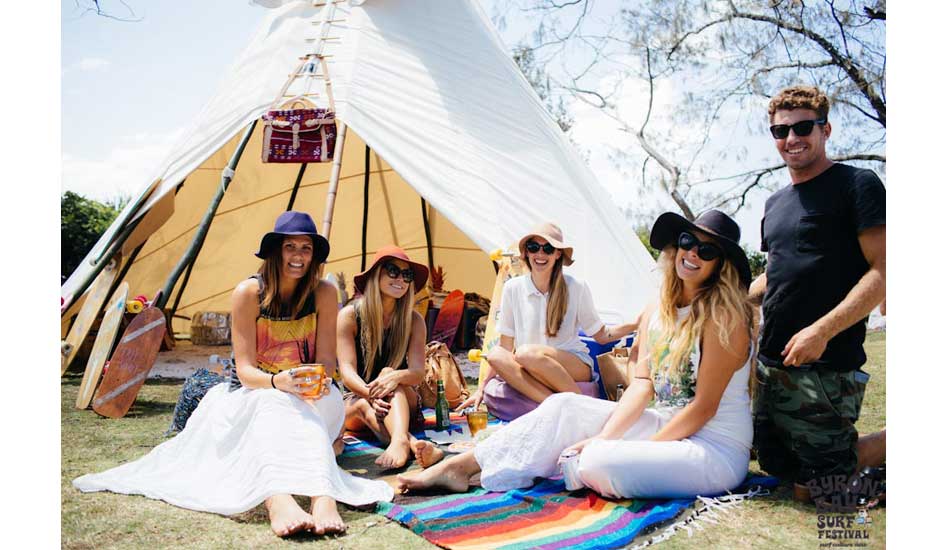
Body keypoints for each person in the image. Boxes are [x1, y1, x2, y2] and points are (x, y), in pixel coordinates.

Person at [73, 211, 394, 537]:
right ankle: (279, 499)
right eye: (290, 247)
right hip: (255, 391)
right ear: (275, 251)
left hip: (312, 391)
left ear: (314, 256)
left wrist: (312, 383)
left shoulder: (324, 293)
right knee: (274, 407)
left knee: (315, 407)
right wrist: (277, 382)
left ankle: (322, 498)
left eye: (306, 248)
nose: (298, 256)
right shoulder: (249, 293)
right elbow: (244, 370)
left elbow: (326, 362)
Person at [399, 210, 756, 499]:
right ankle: (459, 467)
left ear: (721, 265)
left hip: (713, 447)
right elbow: (642, 386)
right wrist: (608, 435)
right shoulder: (656, 311)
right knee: (563, 407)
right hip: (667, 423)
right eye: (687, 242)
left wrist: (621, 444)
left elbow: (703, 408)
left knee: (595, 461)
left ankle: (549, 464)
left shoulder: (725, 319)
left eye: (706, 251)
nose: (692, 253)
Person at [749, 86, 886, 502]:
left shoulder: (857, 185)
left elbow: (884, 269)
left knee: (819, 492)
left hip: (826, 363)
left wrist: (822, 330)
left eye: (803, 127)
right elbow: (779, 272)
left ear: (825, 129)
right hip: (771, 364)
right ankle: (828, 458)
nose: (791, 138)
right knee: (776, 467)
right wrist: (735, 299)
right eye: (780, 130)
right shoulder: (774, 203)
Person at [457, 222, 637, 420]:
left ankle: (580, 405)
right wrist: (481, 388)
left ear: (558, 254)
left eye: (548, 248)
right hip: (530, 364)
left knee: (526, 352)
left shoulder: (576, 287)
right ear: (526, 252)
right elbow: (505, 346)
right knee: (496, 355)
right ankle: (556, 407)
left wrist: (637, 323)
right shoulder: (512, 289)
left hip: (573, 364)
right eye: (534, 247)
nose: (540, 254)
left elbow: (602, 336)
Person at [338, 245, 443, 470]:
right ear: (377, 275)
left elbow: (417, 374)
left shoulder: (414, 320)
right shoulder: (350, 315)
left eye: (407, 275)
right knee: (366, 406)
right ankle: (411, 444)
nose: (401, 280)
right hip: (357, 397)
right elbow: (346, 372)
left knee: (388, 376)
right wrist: (370, 394)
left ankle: (398, 442)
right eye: (392, 271)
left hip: (404, 398)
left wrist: (393, 378)